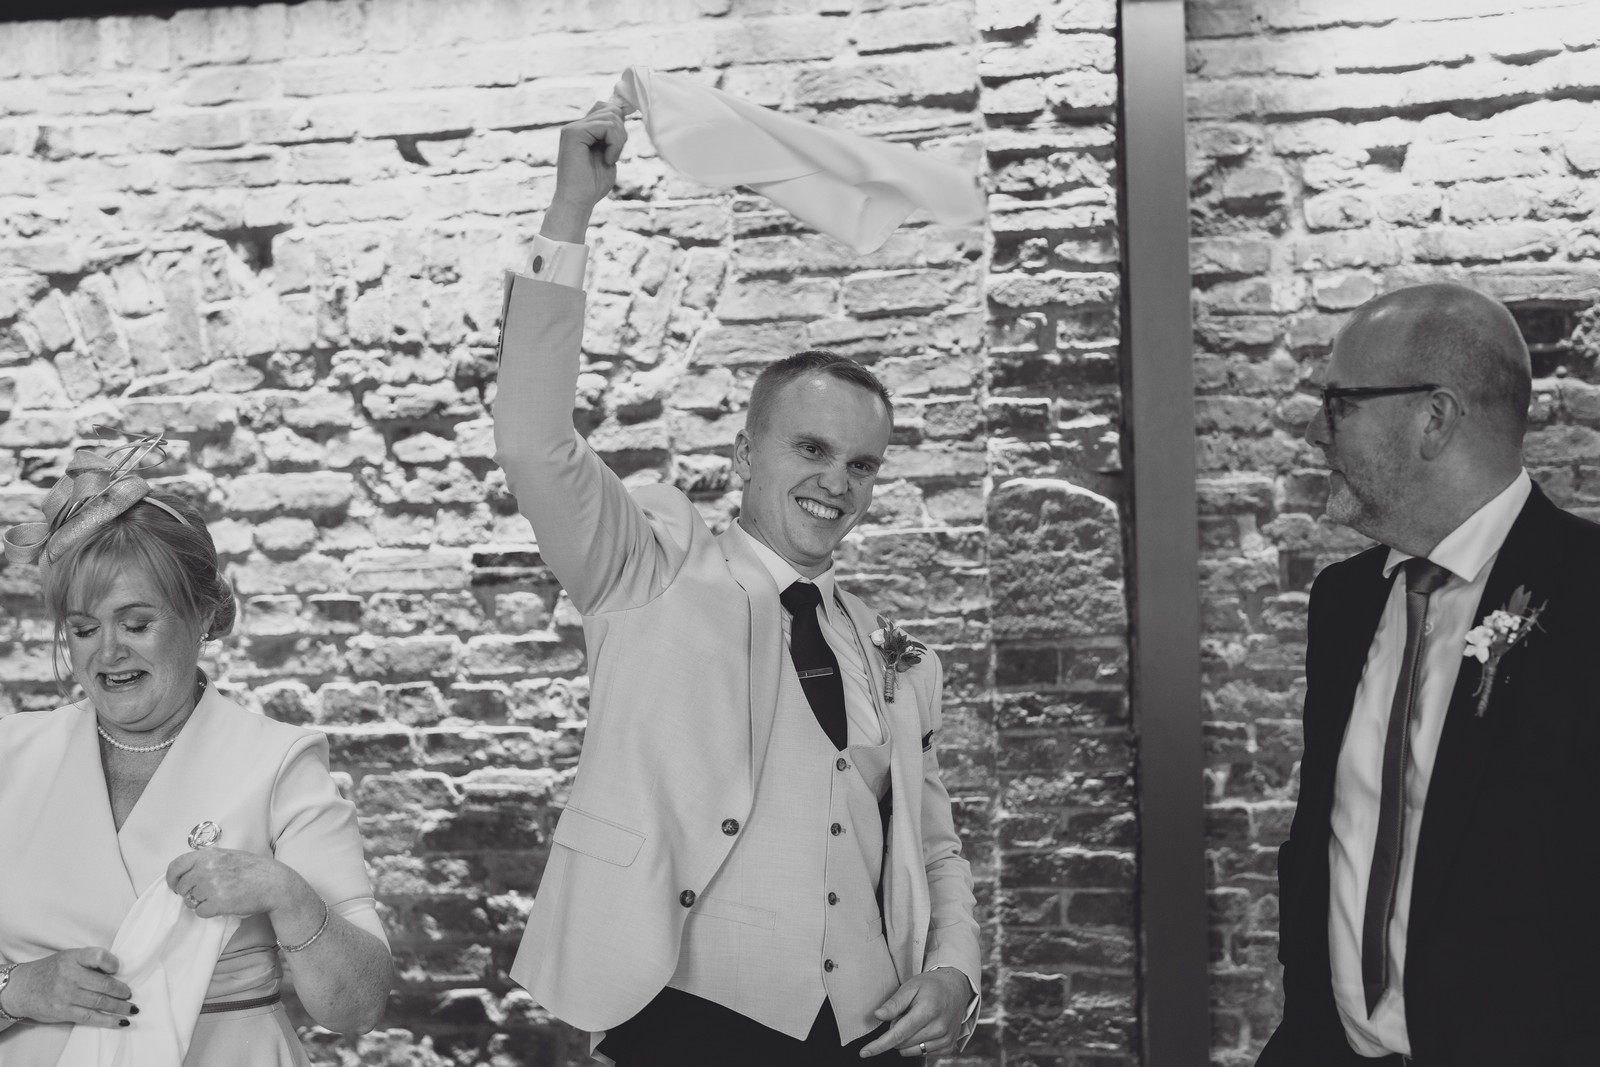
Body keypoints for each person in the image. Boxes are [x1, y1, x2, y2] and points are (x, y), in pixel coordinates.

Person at [495, 103, 980, 1065]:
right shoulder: (648, 564)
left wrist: (957, 971)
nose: (837, 482)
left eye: (862, 464)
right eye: (811, 448)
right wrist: (571, 212)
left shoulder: (895, 654)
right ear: (745, 453)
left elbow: (934, 847)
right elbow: (533, 443)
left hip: (866, 1031)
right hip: (685, 1015)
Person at [1258, 283, 1600, 1066]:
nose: (1314, 431)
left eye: (1339, 403)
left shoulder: (1589, 591)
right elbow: (1324, 839)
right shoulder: (1342, 602)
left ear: (1435, 418)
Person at [0, 441, 391, 1065]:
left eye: (136, 623)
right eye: (83, 628)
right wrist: (15, 989)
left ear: (203, 614)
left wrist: (287, 895)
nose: (108, 652)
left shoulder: (279, 762)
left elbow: (358, 1008)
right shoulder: (10, 755)